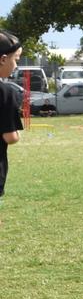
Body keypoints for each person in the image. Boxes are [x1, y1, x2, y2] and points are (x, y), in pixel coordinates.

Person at [0, 30, 24, 206]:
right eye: (15, 59)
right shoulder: (6, 93)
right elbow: (11, 137)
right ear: (2, 59)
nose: (16, 65)